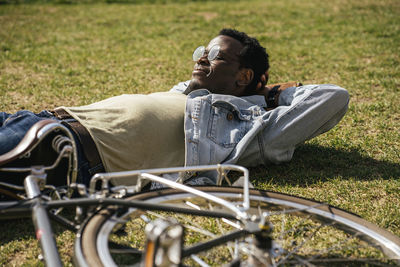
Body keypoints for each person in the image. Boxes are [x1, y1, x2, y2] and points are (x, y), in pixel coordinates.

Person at [0, 29, 349, 186]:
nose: (201, 59)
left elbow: (333, 97)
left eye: (215, 56)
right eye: (201, 52)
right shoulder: (186, 93)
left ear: (243, 75)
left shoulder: (246, 130)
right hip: (34, 119)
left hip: (64, 151)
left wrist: (271, 94)